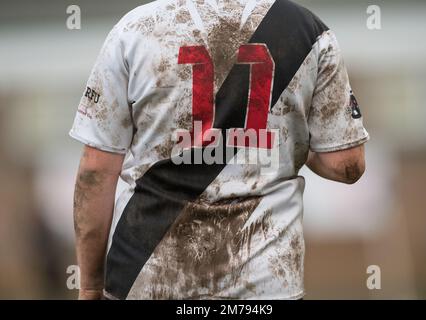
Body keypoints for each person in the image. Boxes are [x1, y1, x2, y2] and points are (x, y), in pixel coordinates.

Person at [70, 0, 369, 300]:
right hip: (265, 283)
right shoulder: (308, 32)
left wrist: (91, 286)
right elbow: (347, 164)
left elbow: (96, 171)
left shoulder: (134, 30)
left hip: (148, 275)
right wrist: (286, 142)